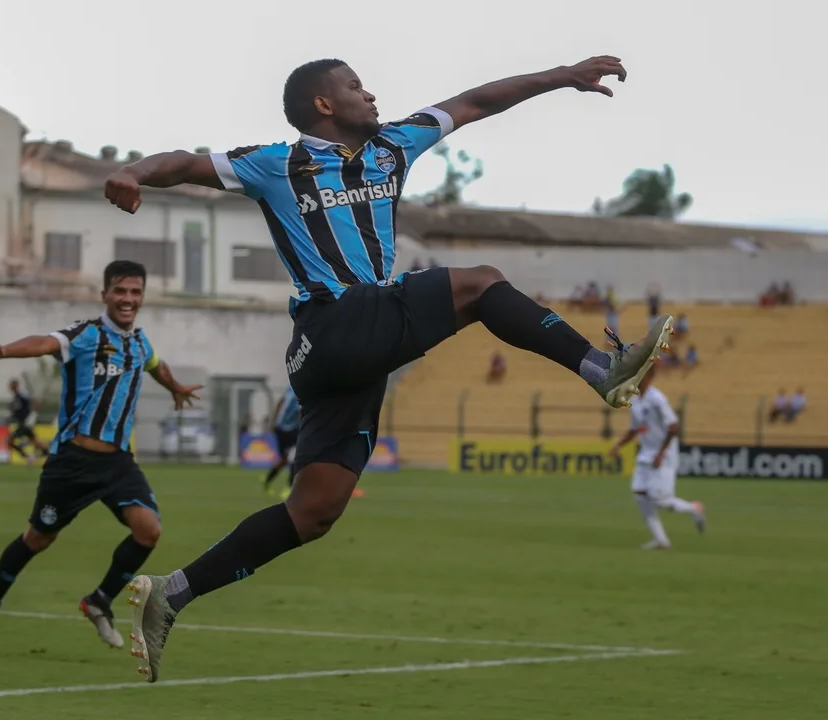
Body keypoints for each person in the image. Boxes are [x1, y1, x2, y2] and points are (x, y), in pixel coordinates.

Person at [103, 55, 674, 682]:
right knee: (481, 284)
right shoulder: (273, 163)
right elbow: (185, 163)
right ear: (323, 104)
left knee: (314, 512)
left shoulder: (393, 146)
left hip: (337, 361)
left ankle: (173, 594)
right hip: (336, 323)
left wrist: (561, 75)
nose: (370, 93)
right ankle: (600, 367)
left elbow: (475, 101)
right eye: (354, 86)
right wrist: (132, 171)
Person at [0, 260, 202, 657]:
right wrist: (2, 353)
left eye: (135, 292)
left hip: (118, 463)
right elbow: (44, 342)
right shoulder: (87, 334)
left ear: (142, 296)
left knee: (149, 531)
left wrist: (176, 388)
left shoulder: (140, 343)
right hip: (73, 461)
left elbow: (156, 366)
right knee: (38, 538)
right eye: (120, 291)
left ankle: (99, 601)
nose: (128, 299)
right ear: (105, 294)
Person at [609, 362, 705, 549]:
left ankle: (695, 508)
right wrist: (618, 446)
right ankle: (661, 540)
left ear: (650, 376)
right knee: (640, 495)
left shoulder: (657, 399)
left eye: (641, 374)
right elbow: (635, 429)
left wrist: (661, 453)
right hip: (646, 453)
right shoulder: (635, 400)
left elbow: (674, 426)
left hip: (664, 454)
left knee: (660, 500)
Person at [263, 385, 301, 499]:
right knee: (284, 460)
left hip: (293, 429)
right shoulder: (292, 387)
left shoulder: (297, 387)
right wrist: (273, 421)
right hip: (281, 429)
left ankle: (289, 488)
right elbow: (281, 403)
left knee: (293, 458)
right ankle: (267, 481)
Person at [7, 378, 49, 464]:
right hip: (23, 423)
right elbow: (17, 411)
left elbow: (32, 401)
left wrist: (35, 411)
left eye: (11, 386)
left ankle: (28, 457)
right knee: (36, 442)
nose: (10, 388)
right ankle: (48, 453)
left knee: (10, 441)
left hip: (25, 423)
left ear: (14, 386)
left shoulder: (21, 395)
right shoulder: (16, 397)